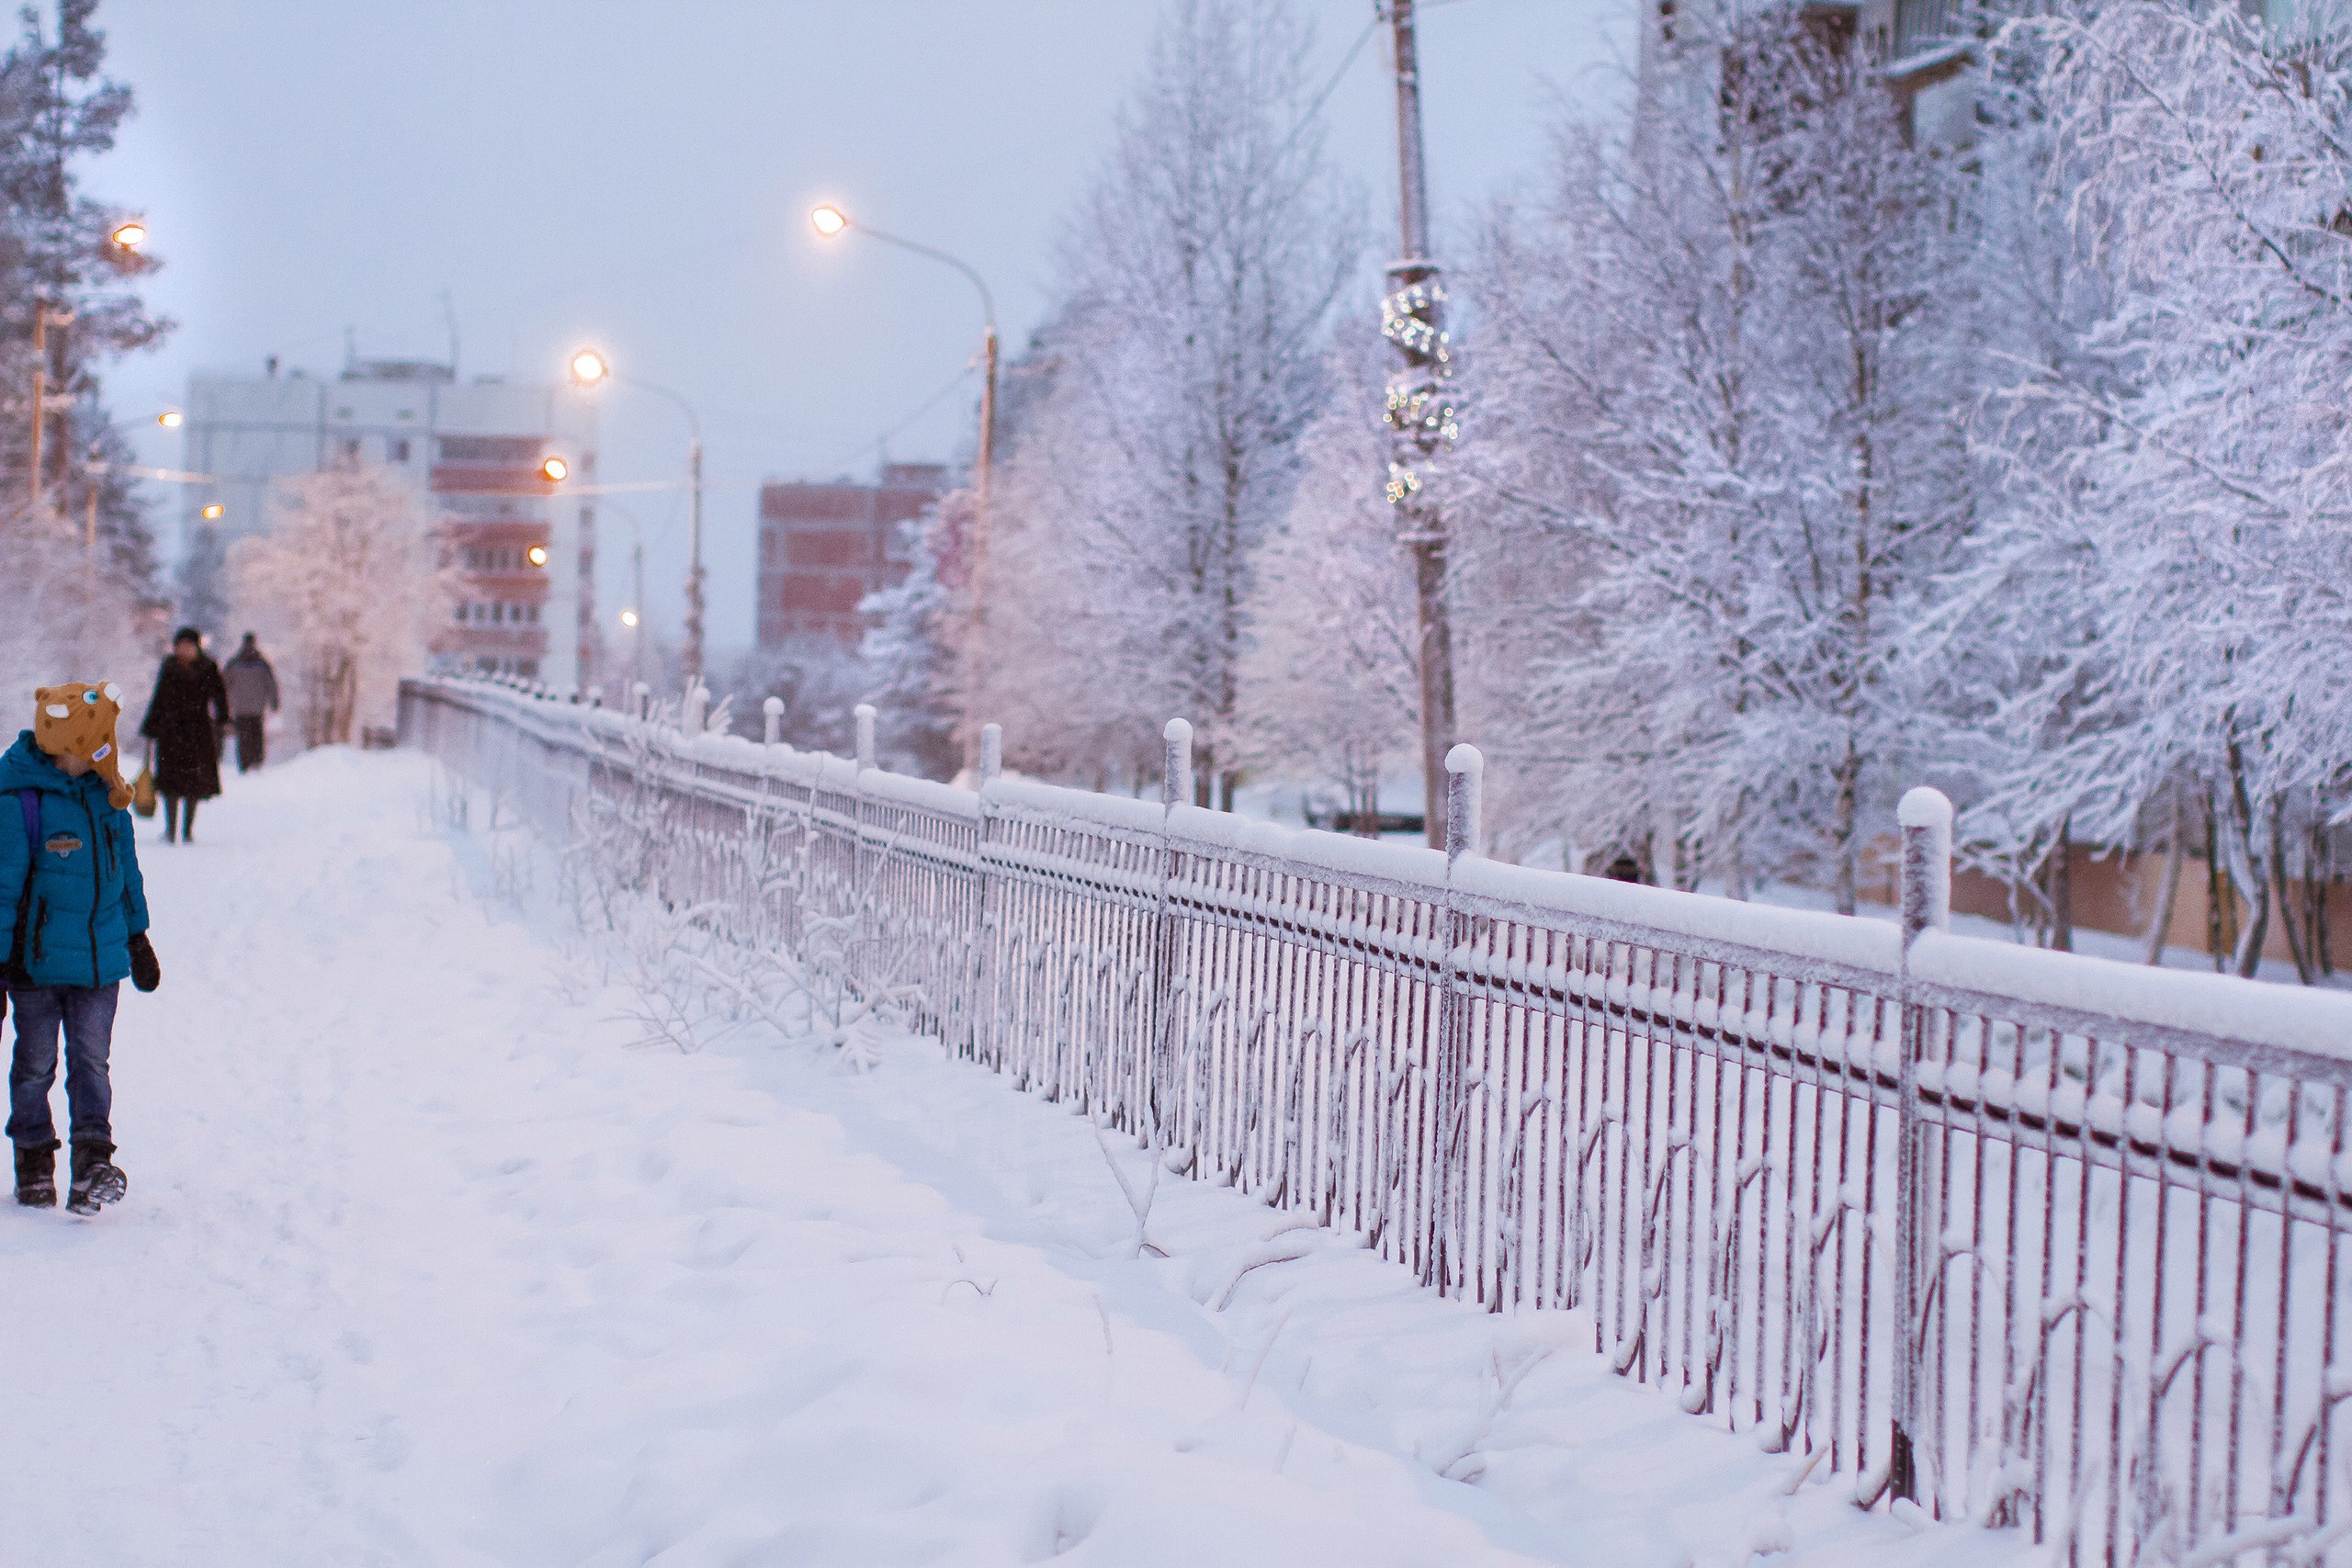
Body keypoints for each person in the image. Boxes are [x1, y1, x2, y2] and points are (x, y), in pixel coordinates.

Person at [3, 681, 157, 1213]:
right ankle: (33, 1157)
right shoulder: (20, 800)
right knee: (35, 1066)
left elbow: (127, 875)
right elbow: (3, 890)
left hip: (101, 963)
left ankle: (92, 1163)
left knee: (92, 1063)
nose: (98, 754)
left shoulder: (109, 796)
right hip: (36, 966)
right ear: (64, 743)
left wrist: (137, 937)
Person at [140, 626, 228, 843]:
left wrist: (224, 719)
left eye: (189, 646)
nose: (184, 650)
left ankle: (187, 830)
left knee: (193, 784)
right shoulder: (169, 667)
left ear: (197, 647)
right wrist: (151, 725)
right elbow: (159, 697)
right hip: (170, 731)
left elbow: (220, 695)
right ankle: (170, 830)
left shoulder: (208, 667)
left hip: (198, 732)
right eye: (180, 646)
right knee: (169, 783)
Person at [222, 632, 280, 773]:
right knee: (257, 735)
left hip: (240, 707)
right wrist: (274, 702)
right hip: (257, 708)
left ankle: (245, 763)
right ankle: (257, 761)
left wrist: (224, 704)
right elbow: (271, 684)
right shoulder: (262, 663)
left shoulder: (234, 663)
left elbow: (224, 684)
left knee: (243, 737)